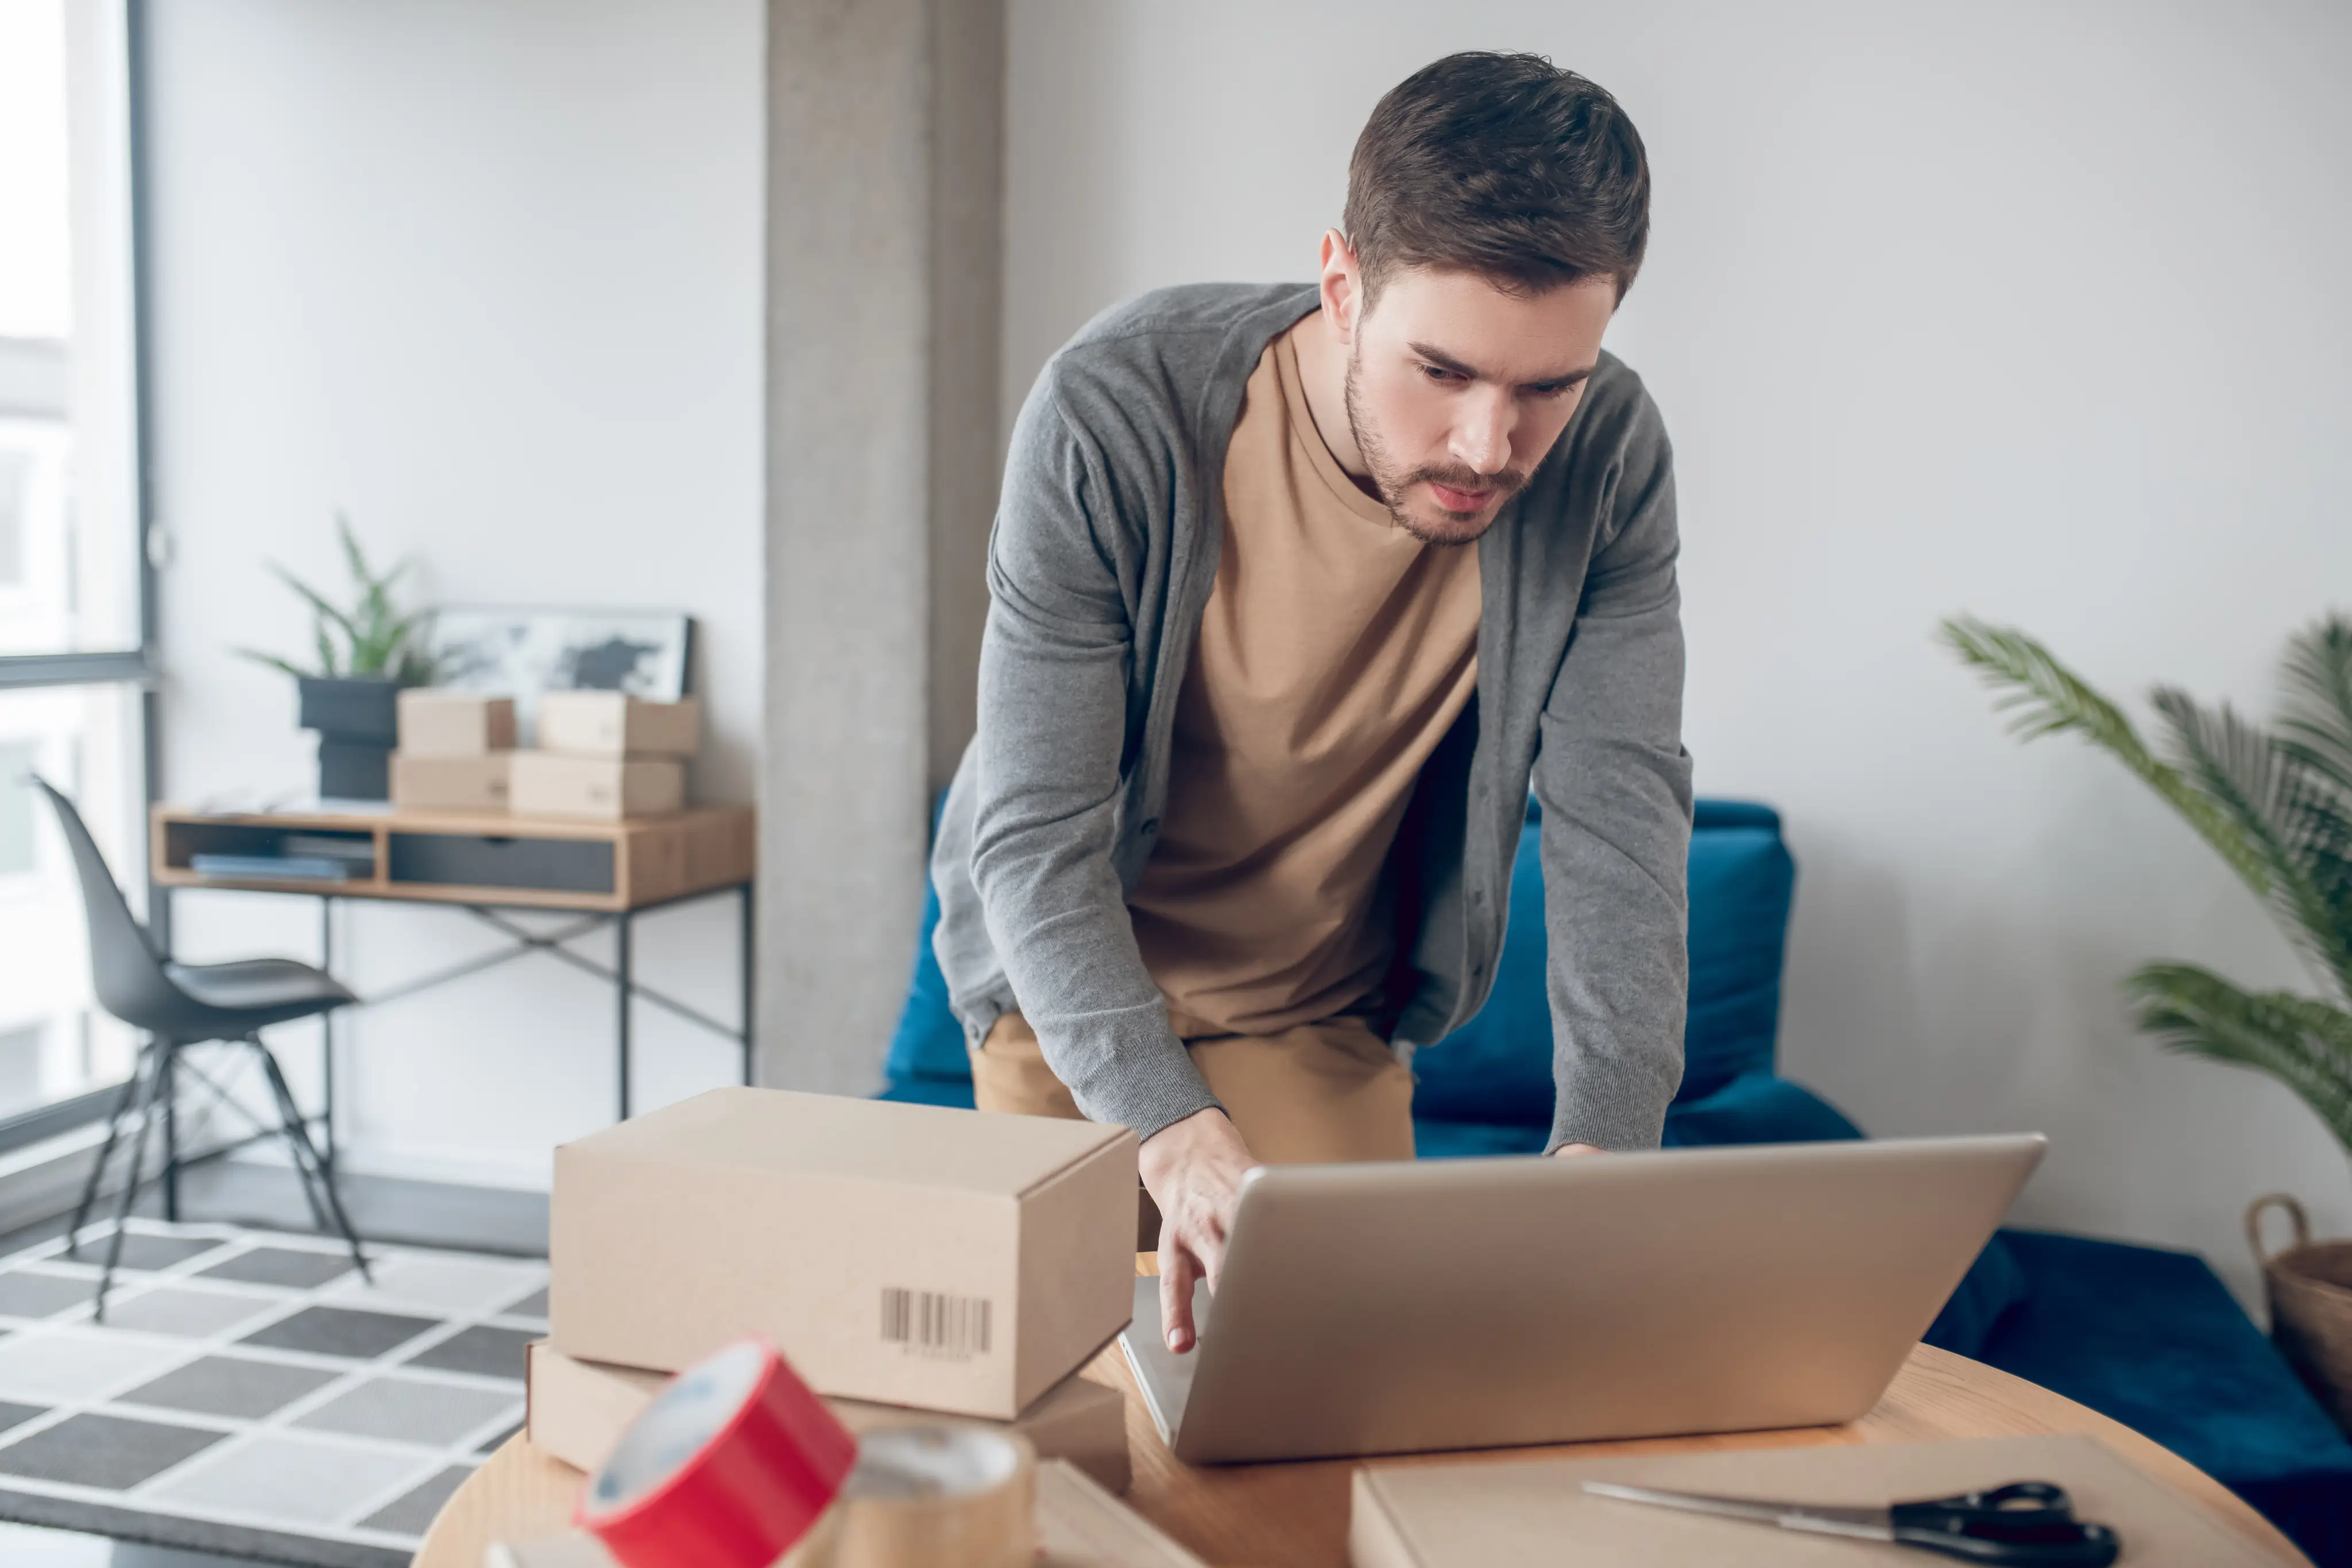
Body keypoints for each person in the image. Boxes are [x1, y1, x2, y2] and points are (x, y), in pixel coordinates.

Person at [930, 51, 1692, 1353]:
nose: (1485, 448)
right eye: (1441, 372)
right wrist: (1168, 1130)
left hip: (1315, 1002)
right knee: (1084, 1405)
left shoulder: (1610, 455)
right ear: (1341, 285)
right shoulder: (1117, 408)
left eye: (1545, 387)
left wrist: (1603, 1152)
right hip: (1075, 987)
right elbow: (1030, 831)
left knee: (1345, 1398)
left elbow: (1619, 822)